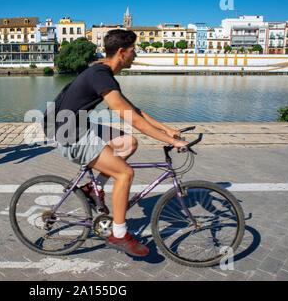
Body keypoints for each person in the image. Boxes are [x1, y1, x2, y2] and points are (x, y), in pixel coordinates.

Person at [51, 29, 189, 257]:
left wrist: (167, 130)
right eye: (134, 51)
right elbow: (132, 119)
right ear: (122, 53)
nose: (136, 55)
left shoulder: (103, 73)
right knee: (124, 174)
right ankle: (119, 233)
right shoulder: (101, 76)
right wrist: (168, 141)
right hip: (69, 135)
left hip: (77, 126)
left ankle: (92, 189)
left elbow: (135, 111)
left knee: (129, 142)